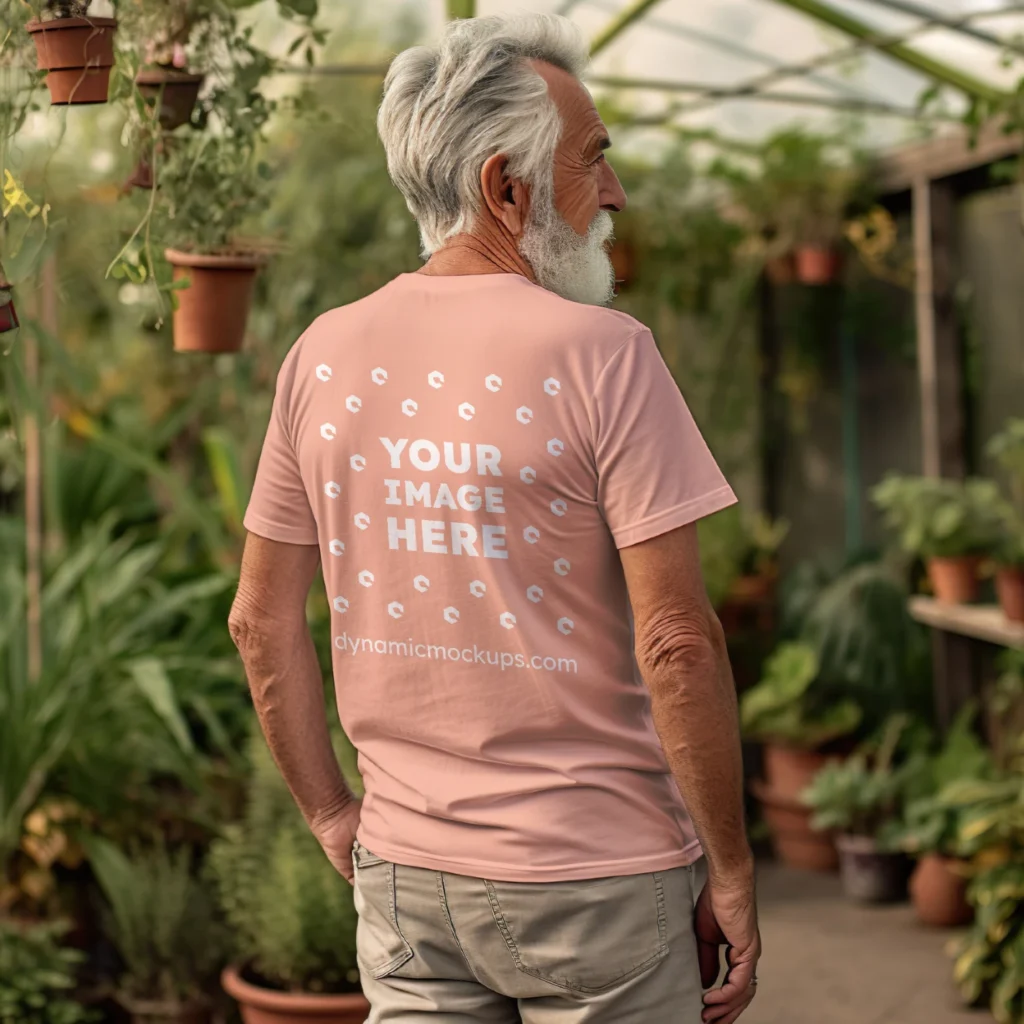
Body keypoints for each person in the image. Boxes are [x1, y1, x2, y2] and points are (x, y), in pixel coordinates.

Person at [230, 13, 760, 1024]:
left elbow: (259, 623)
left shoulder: (320, 355)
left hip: (404, 881)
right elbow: (678, 642)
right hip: (599, 883)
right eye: (592, 159)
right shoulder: (604, 353)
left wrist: (331, 811)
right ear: (504, 187)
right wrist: (730, 867)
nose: (612, 191)